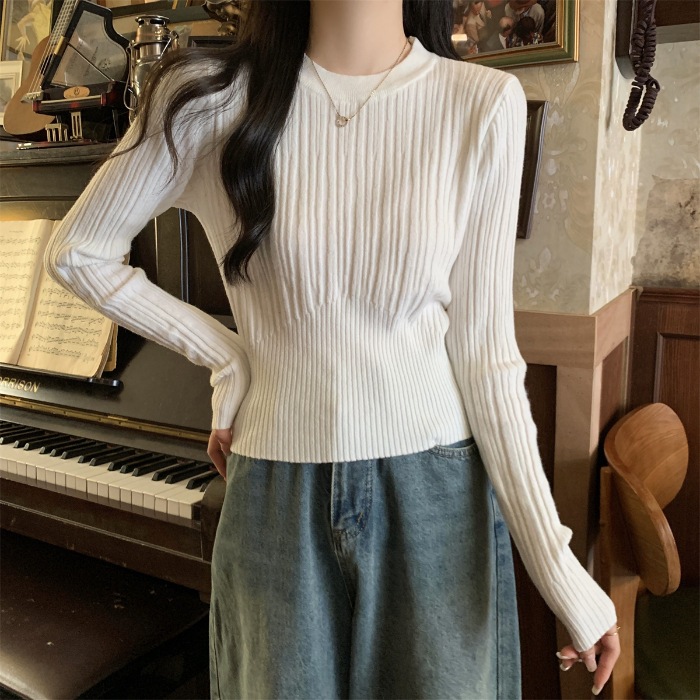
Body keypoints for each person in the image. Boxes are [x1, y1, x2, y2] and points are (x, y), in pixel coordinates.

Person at [43, 0, 621, 698]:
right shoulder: (205, 99)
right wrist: (229, 355)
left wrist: (560, 572)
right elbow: (78, 253)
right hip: (274, 491)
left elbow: (486, 356)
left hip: (435, 494)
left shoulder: (481, 102)